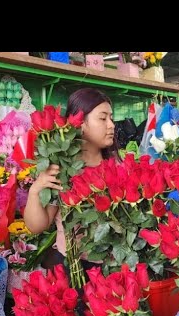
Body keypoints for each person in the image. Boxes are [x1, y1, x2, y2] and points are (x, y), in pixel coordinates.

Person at [24, 87, 117, 262]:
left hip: (113, 268)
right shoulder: (61, 169)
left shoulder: (118, 166)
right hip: (72, 265)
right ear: (80, 123)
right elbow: (37, 226)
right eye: (103, 118)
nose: (111, 125)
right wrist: (35, 191)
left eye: (111, 118)